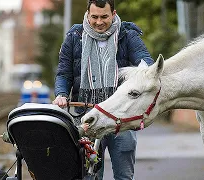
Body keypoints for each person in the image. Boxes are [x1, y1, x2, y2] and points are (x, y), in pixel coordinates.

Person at [52, 0, 154, 179]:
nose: (99, 22)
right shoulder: (75, 36)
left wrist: (145, 70)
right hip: (86, 117)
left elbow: (145, 62)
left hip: (120, 118)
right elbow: (64, 73)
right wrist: (61, 94)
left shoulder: (127, 35)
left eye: (104, 17)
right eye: (95, 17)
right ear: (87, 14)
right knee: (90, 175)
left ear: (113, 14)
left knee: (124, 176)